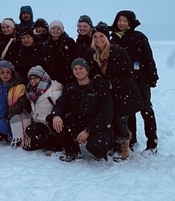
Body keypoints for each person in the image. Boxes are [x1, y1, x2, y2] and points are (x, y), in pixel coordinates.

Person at [85, 22, 144, 162]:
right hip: (108, 94)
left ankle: (124, 148)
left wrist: (110, 83)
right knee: (111, 120)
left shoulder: (118, 51)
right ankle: (114, 144)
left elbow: (128, 74)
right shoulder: (91, 52)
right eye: (95, 36)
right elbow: (91, 71)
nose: (98, 39)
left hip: (124, 92)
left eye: (101, 36)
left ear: (107, 37)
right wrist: (96, 79)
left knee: (121, 120)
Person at [110, 10, 159, 155]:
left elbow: (148, 58)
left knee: (146, 110)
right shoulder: (113, 39)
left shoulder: (139, 37)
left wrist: (152, 76)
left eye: (125, 21)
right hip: (124, 82)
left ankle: (152, 144)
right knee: (128, 112)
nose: (122, 23)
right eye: (120, 20)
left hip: (140, 80)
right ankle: (131, 140)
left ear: (131, 22)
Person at [47, 58, 113, 162]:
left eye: (81, 68)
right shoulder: (70, 89)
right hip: (78, 123)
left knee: (97, 147)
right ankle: (72, 149)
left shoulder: (99, 89)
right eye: (75, 69)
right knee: (52, 118)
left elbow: (105, 115)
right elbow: (61, 104)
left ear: (87, 70)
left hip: (97, 127)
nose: (78, 71)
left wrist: (88, 130)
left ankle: (105, 147)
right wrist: (56, 115)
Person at [23, 66, 63, 152]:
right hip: (39, 122)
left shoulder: (53, 90)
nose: (33, 81)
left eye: (36, 78)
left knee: (32, 130)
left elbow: (61, 106)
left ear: (42, 77)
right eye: (31, 78)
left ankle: (56, 146)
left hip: (52, 124)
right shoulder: (31, 91)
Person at [44, 20, 77, 85]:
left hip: (67, 77)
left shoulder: (69, 42)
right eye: (53, 28)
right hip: (52, 78)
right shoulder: (46, 44)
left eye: (58, 29)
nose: (55, 31)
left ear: (61, 30)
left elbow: (73, 59)